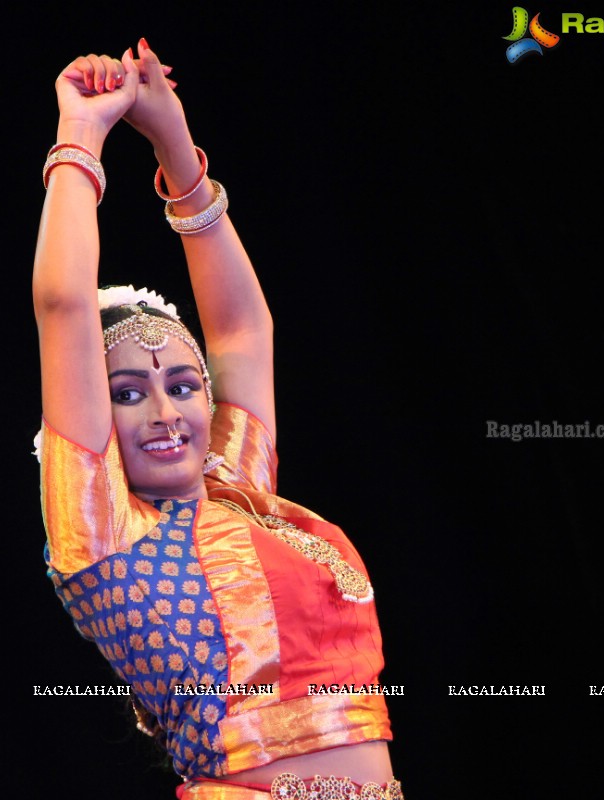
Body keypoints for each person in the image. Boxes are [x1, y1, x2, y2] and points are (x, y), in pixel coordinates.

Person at [33, 39, 402, 799]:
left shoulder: (233, 488)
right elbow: (65, 306)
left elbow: (241, 334)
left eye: (183, 385)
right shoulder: (101, 532)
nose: (166, 413)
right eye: (128, 394)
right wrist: (81, 136)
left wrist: (174, 145)